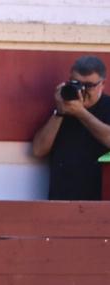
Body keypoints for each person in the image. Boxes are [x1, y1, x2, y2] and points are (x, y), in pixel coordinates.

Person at [32, 55, 110, 201]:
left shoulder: (107, 107)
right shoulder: (63, 107)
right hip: (61, 200)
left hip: (98, 203)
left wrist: (80, 113)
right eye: (77, 84)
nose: (82, 90)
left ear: (102, 84)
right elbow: (38, 150)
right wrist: (60, 112)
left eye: (89, 85)